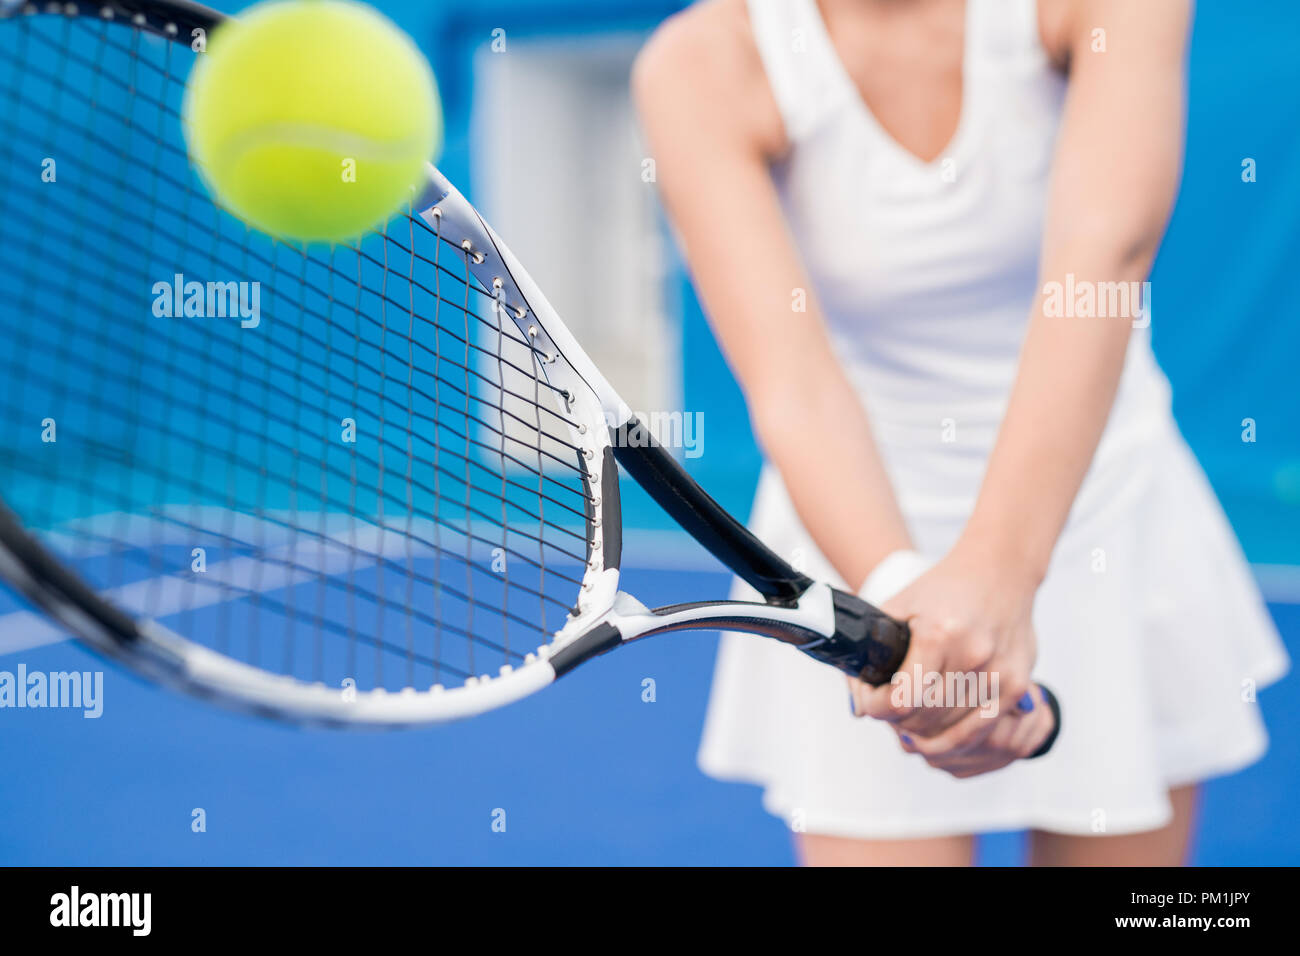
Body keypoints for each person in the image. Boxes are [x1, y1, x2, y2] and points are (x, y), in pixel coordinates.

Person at [632, 0, 1288, 866]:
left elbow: (1101, 267)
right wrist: (904, 599)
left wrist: (1001, 575)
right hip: (859, 541)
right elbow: (794, 386)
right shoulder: (697, 66)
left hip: (1105, 516)